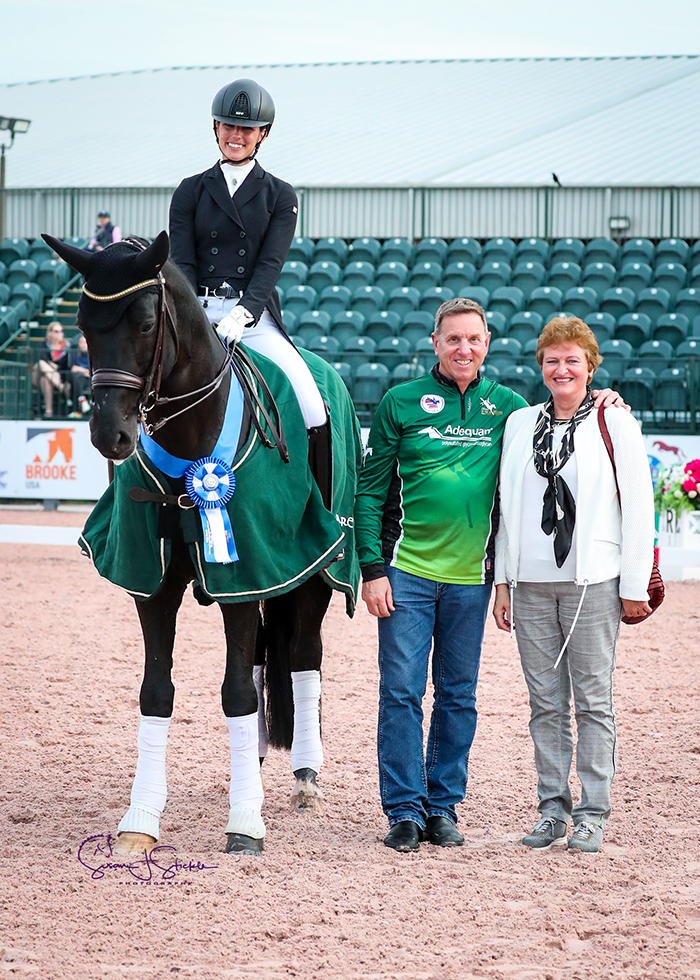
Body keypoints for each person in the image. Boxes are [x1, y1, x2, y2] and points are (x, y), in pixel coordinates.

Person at [355, 297, 626, 853]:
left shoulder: (510, 410)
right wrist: (371, 568)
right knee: (401, 693)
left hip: (471, 580)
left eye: (473, 339)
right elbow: (370, 489)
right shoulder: (399, 403)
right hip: (405, 572)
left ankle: (443, 808)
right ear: (435, 343)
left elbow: (564, 409)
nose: (464, 349)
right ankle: (404, 810)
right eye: (453, 339)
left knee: (458, 696)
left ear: (487, 343)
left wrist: (604, 398)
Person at [492, 316, 655, 854]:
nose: (561, 369)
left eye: (572, 360)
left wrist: (634, 585)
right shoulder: (520, 423)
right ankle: (551, 809)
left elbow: (639, 508)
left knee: (592, 701)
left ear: (590, 367)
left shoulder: (614, 423)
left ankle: (593, 811)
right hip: (532, 582)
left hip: (594, 583)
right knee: (543, 702)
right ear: (540, 367)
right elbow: (504, 509)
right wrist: (504, 580)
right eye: (551, 360)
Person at [168, 77, 330, 493]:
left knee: (313, 407)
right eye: (228, 126)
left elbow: (270, 264)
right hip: (195, 315)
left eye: (246, 129)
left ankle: (322, 517)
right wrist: (194, 316)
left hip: (252, 318)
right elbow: (183, 263)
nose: (236, 135)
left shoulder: (280, 195)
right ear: (216, 129)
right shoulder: (189, 191)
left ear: (262, 134)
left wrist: (242, 314)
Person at [32, 322, 71, 418]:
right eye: (56, 331)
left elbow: (66, 365)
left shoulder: (66, 346)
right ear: (49, 333)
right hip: (40, 375)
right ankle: (61, 387)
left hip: (55, 376)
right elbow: (41, 359)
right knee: (40, 364)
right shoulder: (42, 344)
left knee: (45, 380)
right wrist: (53, 368)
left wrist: (52, 367)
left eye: (61, 331)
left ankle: (48, 411)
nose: (59, 334)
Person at [68, 333, 91, 415]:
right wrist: (85, 371)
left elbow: (92, 372)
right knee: (76, 377)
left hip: (89, 380)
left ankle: (76, 409)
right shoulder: (74, 353)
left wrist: (81, 370)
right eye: (81, 342)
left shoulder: (93, 355)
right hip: (78, 379)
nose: (82, 344)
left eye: (85, 342)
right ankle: (82, 400)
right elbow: (73, 368)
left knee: (76, 377)